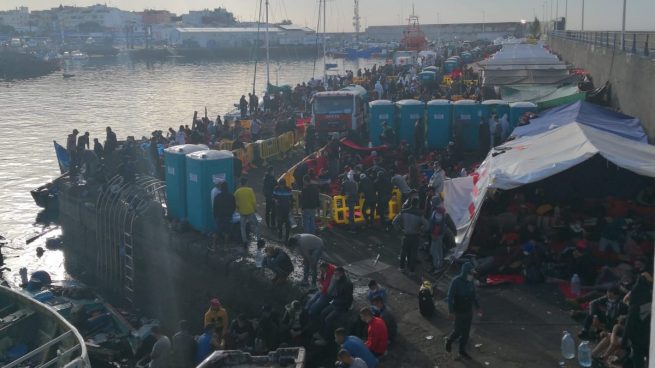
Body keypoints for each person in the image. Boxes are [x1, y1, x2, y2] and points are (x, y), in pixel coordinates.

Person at [445, 262, 481, 359]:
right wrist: (451, 311)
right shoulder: (456, 281)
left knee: (466, 333)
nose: (472, 275)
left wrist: (477, 307)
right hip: (459, 311)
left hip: (468, 311)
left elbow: (473, 295)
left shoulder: (471, 282)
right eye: (470, 273)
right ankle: (449, 340)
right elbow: (450, 297)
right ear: (465, 272)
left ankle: (462, 350)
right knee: (457, 331)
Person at [315, 267, 354, 346]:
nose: (335, 276)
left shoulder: (347, 284)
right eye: (334, 274)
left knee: (328, 319)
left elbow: (349, 299)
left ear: (342, 274)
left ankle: (325, 339)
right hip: (335, 303)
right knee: (323, 313)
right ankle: (320, 333)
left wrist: (339, 302)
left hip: (342, 307)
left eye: (337, 274)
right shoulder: (337, 280)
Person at [392, 198, 428, 275]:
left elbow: (394, 222)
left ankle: (402, 268)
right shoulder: (419, 214)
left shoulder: (404, 212)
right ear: (417, 204)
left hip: (406, 235)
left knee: (403, 252)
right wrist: (422, 231)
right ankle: (412, 271)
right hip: (415, 236)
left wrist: (399, 229)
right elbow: (427, 226)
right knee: (413, 253)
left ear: (411, 203)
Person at [234, 177, 259, 246]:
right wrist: (255, 209)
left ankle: (244, 241)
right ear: (246, 183)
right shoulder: (250, 190)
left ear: (240, 183)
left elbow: (235, 203)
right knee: (256, 224)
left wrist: (238, 209)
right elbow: (253, 201)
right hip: (250, 211)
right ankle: (258, 239)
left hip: (242, 212)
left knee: (242, 227)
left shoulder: (237, 192)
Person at [213, 181, 236, 246]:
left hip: (219, 216)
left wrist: (215, 216)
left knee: (216, 232)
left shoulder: (217, 197)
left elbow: (215, 208)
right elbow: (234, 206)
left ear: (221, 188)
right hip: (228, 216)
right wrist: (231, 213)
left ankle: (214, 246)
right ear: (227, 188)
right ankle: (225, 246)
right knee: (227, 232)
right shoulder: (231, 196)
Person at [429, 195, 448, 273]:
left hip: (436, 235)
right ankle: (439, 265)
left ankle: (437, 266)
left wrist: (434, 235)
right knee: (439, 250)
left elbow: (437, 225)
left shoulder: (438, 211)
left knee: (434, 251)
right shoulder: (440, 209)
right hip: (439, 234)